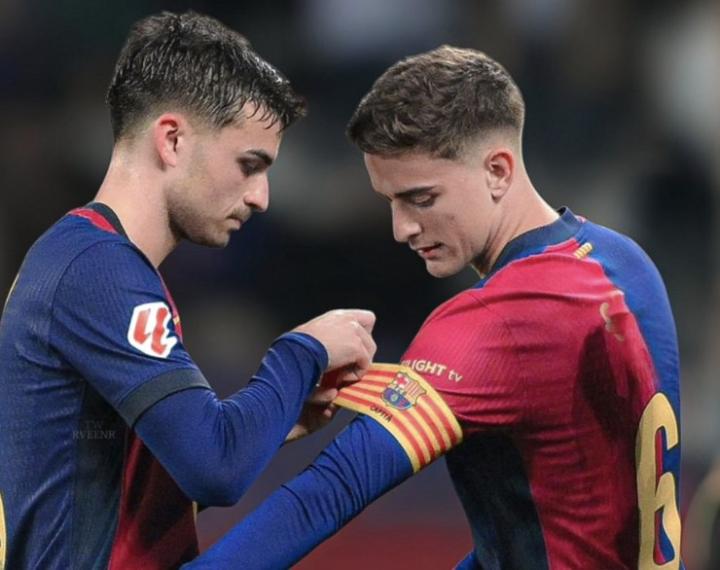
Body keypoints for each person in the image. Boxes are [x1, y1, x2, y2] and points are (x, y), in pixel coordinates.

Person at [186, 46, 683, 569]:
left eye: (421, 199)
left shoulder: (494, 322)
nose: (401, 229)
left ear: (498, 170)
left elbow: (335, 487)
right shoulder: (627, 261)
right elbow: (558, 518)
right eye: (390, 201)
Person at [0, 11, 377, 570]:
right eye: (249, 165)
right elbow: (214, 469)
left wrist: (268, 422)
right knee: (351, 479)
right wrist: (303, 352)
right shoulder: (97, 269)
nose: (262, 197)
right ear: (172, 140)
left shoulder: (99, 263)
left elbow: (155, 473)